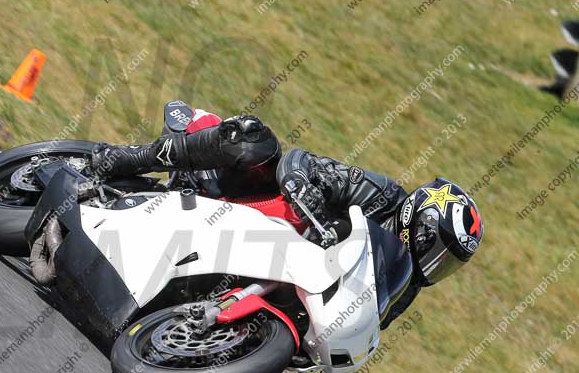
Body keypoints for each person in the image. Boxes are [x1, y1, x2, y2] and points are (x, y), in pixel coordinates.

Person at [91, 104, 483, 328]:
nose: (436, 264)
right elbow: (304, 164)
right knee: (255, 140)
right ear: (419, 222)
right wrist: (304, 190)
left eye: (448, 263)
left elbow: (360, 329)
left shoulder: (403, 289)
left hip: (285, 276)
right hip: (257, 206)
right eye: (438, 250)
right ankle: (127, 158)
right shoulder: (380, 195)